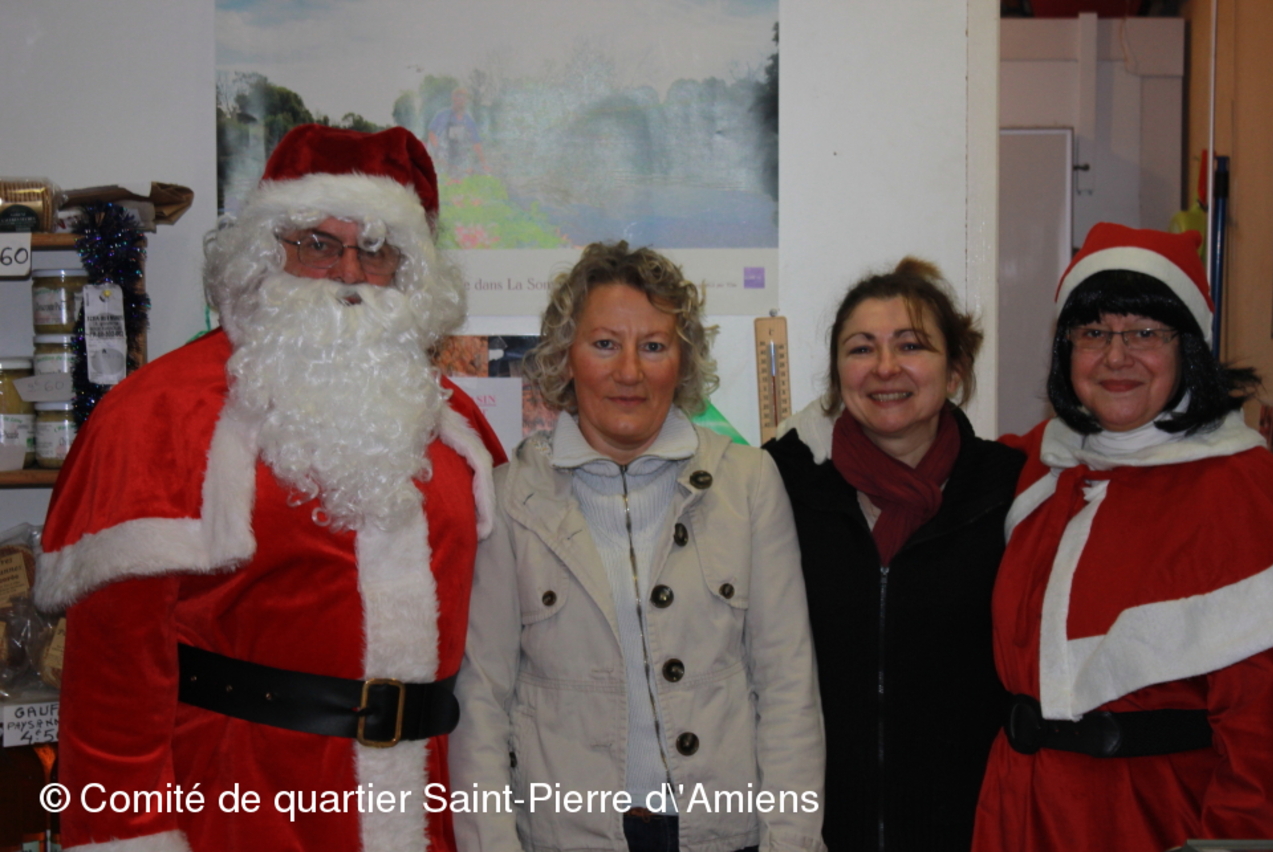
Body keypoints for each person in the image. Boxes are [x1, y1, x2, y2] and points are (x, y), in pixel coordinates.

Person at [33, 124, 505, 852]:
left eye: (376, 249)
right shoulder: (161, 415)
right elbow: (113, 686)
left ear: (408, 272)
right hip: (238, 808)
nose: (348, 272)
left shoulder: (453, 425)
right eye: (317, 244)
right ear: (265, 252)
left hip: (427, 814)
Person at [449, 242, 825, 852]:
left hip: (724, 836)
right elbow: (480, 702)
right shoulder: (510, 499)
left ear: (683, 361)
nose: (630, 371)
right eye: (605, 344)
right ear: (565, 357)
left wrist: (792, 842)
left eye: (653, 346)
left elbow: (788, 688)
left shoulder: (749, 483)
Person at [972, 223, 1273, 851]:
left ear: (1187, 348)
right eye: (1093, 333)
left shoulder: (1244, 493)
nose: (1116, 357)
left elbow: (1264, 739)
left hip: (1153, 821)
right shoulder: (1037, 465)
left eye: (1145, 333)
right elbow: (913, 448)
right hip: (1017, 815)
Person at [764, 258, 1024, 850]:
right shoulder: (781, 487)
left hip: (972, 829)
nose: (885, 367)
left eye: (911, 345)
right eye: (861, 349)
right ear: (837, 377)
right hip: (818, 831)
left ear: (955, 370)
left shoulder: (1010, 490)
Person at [428, 88, 487, 178]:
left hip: (459, 158)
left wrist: (484, 163)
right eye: (458, 97)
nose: (460, 101)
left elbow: (476, 143)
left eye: (463, 98)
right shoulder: (442, 115)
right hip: (442, 156)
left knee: (464, 176)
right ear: (453, 99)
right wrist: (437, 151)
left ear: (466, 101)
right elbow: (431, 133)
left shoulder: (469, 121)